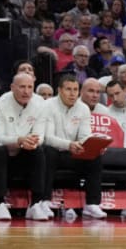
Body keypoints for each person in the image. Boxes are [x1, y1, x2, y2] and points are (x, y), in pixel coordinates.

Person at [0, 73, 49, 221]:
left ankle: (35, 203)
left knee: (38, 151)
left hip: (23, 153)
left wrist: (30, 142)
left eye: (29, 87)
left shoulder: (41, 105)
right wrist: (19, 140)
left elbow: (40, 136)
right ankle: (0, 203)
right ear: (12, 87)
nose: (26, 91)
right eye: (22, 87)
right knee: (0, 151)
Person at [43, 75, 107, 219]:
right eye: (68, 89)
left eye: (75, 90)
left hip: (73, 152)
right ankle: (44, 201)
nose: (72, 94)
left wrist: (93, 145)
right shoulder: (48, 106)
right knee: (48, 152)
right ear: (59, 90)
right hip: (54, 151)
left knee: (95, 155)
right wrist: (69, 144)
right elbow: (47, 137)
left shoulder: (83, 108)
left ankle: (92, 204)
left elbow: (85, 135)